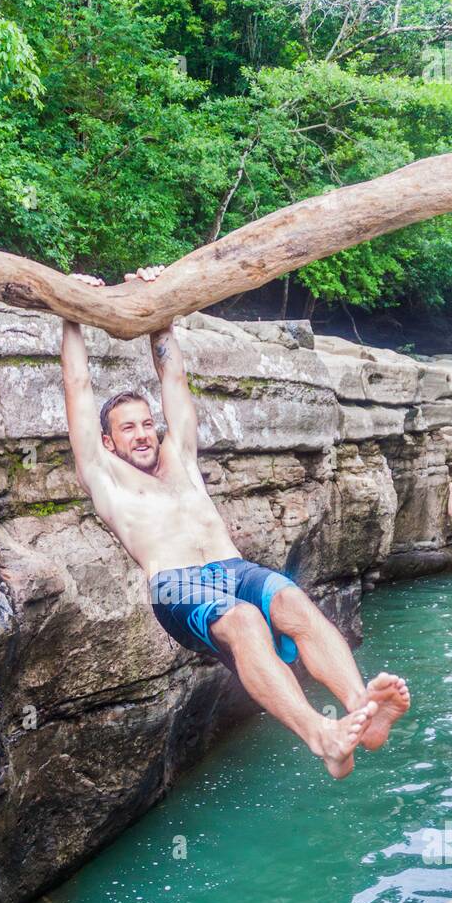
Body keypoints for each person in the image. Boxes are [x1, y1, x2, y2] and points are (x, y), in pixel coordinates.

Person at [60, 264, 410, 779]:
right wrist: (72, 311)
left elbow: (172, 377)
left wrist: (162, 308)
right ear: (108, 442)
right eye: (127, 429)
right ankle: (323, 737)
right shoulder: (104, 475)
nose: (141, 434)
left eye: (145, 424)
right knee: (245, 621)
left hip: (232, 568)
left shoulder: (178, 457)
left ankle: (364, 710)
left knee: (293, 601)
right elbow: (77, 385)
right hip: (176, 588)